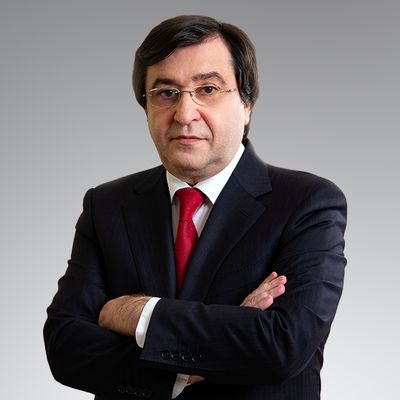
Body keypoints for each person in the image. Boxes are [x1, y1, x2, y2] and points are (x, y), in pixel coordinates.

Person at [44, 15, 347, 400]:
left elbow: (281, 345)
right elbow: (65, 345)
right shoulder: (107, 205)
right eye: (166, 92)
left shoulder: (308, 203)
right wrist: (206, 355)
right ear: (146, 106)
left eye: (207, 89)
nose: (185, 114)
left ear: (247, 103)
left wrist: (140, 314)